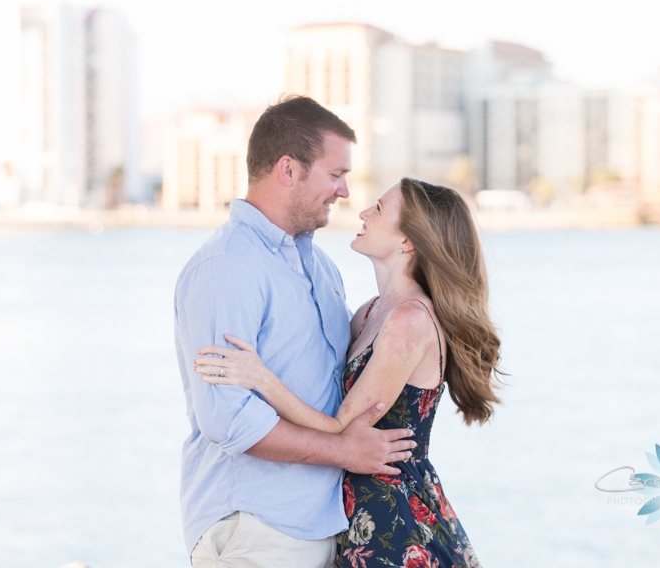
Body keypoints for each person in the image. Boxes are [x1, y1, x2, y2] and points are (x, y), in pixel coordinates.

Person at [196, 177, 502, 568]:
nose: (362, 213)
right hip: (352, 509)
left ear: (407, 241)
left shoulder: (411, 321)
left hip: (392, 519)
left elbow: (341, 425)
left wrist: (260, 377)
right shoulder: (371, 312)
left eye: (378, 208)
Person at [173, 95, 417, 567]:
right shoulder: (228, 268)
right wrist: (344, 451)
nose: (345, 192)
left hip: (323, 524)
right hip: (257, 525)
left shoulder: (321, 266)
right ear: (289, 169)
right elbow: (229, 420)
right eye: (335, 175)